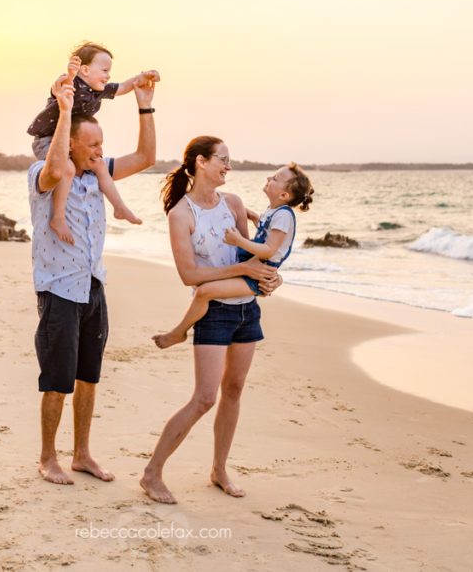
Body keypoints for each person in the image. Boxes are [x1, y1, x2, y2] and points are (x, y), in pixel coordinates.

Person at [27, 67, 157, 486]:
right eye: (93, 144)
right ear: (72, 145)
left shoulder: (96, 171)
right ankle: (48, 458)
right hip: (59, 291)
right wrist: (65, 112)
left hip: (93, 287)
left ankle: (82, 453)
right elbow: (53, 168)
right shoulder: (46, 175)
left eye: (102, 143)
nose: (101, 150)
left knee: (88, 377)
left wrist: (144, 103)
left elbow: (146, 158)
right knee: (57, 381)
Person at [140, 136, 282, 504]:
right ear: (201, 162)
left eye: (229, 160)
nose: (228, 167)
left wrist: (269, 278)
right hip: (213, 313)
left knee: (233, 391)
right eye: (223, 159)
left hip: (246, 309)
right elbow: (189, 274)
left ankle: (219, 469)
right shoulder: (181, 215)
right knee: (204, 398)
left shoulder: (233, 204)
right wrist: (244, 268)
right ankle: (152, 473)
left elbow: (255, 258)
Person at [152, 163, 314, 349]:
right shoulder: (274, 211)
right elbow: (266, 231)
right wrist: (252, 216)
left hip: (259, 272)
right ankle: (179, 331)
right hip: (254, 265)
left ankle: (179, 332)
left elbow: (270, 249)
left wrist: (239, 241)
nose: (269, 178)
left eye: (275, 179)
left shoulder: (284, 216)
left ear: (284, 195)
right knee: (205, 290)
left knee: (204, 292)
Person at [27, 42, 160, 244]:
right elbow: (61, 87)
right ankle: (59, 217)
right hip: (48, 140)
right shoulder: (73, 85)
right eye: (104, 70)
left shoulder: (98, 91)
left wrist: (142, 82)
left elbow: (124, 86)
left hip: (92, 272)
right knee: (67, 168)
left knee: (99, 166)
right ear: (85, 70)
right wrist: (70, 74)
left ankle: (119, 207)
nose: (108, 76)